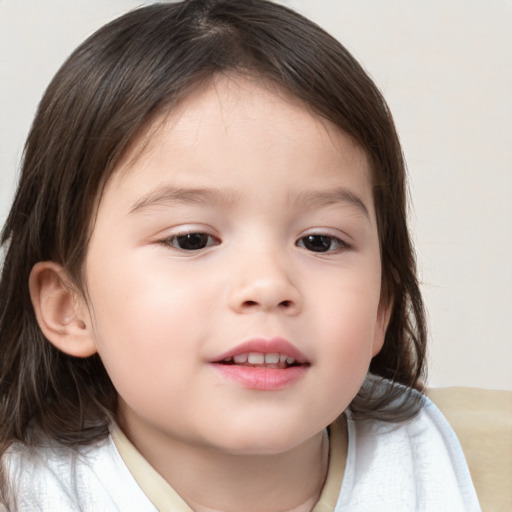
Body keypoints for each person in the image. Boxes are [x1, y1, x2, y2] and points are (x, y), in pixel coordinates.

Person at [0, 1, 481, 510]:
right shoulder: (24, 493)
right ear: (68, 306)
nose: (268, 284)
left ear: (381, 305)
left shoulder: (477, 463)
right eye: (191, 240)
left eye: (319, 241)